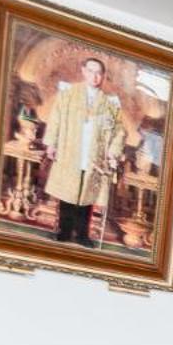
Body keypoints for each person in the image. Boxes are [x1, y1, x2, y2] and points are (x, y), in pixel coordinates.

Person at [41, 56, 125, 246]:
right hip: (70, 149)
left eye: (99, 73)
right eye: (91, 71)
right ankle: (63, 231)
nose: (95, 77)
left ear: (103, 76)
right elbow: (55, 118)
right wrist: (51, 143)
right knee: (68, 192)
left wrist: (113, 152)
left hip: (94, 154)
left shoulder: (110, 103)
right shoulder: (68, 93)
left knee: (87, 194)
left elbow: (119, 130)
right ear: (84, 71)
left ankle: (82, 235)